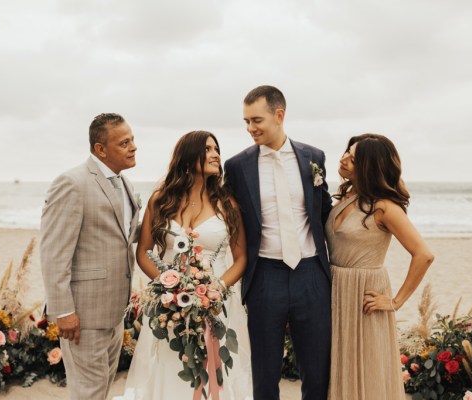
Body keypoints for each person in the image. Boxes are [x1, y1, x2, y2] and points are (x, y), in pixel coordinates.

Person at [115, 131, 252, 400]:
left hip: (216, 305)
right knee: (170, 364)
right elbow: (143, 252)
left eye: (217, 149)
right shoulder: (161, 200)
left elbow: (241, 258)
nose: (216, 154)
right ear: (189, 157)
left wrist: (216, 289)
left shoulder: (227, 204)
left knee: (216, 368)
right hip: (169, 308)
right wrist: (170, 291)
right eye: (208, 149)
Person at [223, 85, 332, 400]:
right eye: (245, 121)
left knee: (316, 370)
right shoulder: (236, 166)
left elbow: (324, 212)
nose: (250, 128)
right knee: (264, 372)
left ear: (279, 115)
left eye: (256, 120)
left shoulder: (314, 157)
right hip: (264, 276)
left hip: (311, 274)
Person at [326, 133, 435, 399]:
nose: (343, 159)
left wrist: (396, 301)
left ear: (368, 166)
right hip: (335, 289)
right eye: (346, 153)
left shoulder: (384, 207)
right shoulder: (347, 196)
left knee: (367, 369)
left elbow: (424, 254)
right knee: (338, 369)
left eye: (353, 158)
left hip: (365, 296)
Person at [40, 113, 140, 400]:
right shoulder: (72, 183)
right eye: (124, 143)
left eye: (132, 139)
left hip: (114, 312)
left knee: (101, 388)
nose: (133, 146)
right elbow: (53, 253)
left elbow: (125, 236)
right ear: (100, 149)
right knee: (89, 392)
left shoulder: (125, 185)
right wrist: (64, 311)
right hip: (82, 315)